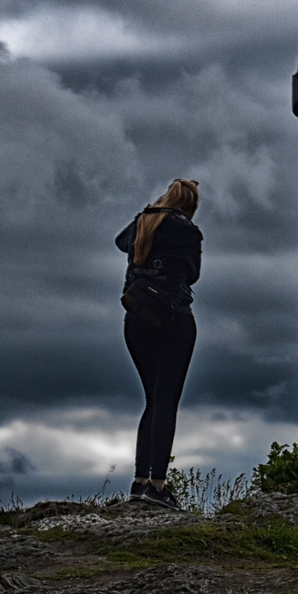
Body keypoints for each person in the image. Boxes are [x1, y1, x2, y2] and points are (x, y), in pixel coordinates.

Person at [115, 179, 202, 511]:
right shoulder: (186, 230)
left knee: (152, 401)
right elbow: (192, 274)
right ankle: (158, 485)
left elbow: (120, 242)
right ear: (190, 205)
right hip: (173, 319)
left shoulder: (142, 222)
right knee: (167, 402)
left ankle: (139, 482)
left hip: (136, 320)